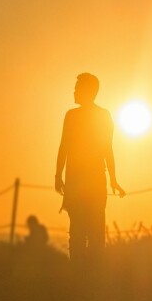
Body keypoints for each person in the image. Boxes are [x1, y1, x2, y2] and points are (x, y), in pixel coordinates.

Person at [55, 73, 125, 263]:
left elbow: (65, 146)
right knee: (91, 233)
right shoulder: (101, 115)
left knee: (80, 233)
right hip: (90, 182)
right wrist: (113, 179)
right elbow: (107, 149)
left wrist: (58, 175)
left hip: (81, 182)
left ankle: (83, 277)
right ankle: (89, 278)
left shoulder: (75, 116)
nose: (74, 91)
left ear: (88, 91)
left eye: (77, 88)